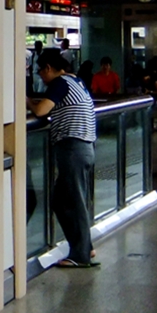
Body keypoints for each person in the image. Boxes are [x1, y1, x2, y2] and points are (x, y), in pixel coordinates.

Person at [28, 51, 98, 268]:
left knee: (75, 202)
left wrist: (27, 101)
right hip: (84, 146)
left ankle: (80, 256)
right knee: (61, 201)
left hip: (72, 147)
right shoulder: (76, 80)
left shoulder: (59, 83)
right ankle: (85, 247)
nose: (40, 76)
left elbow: (41, 111)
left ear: (48, 68)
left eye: (40, 71)